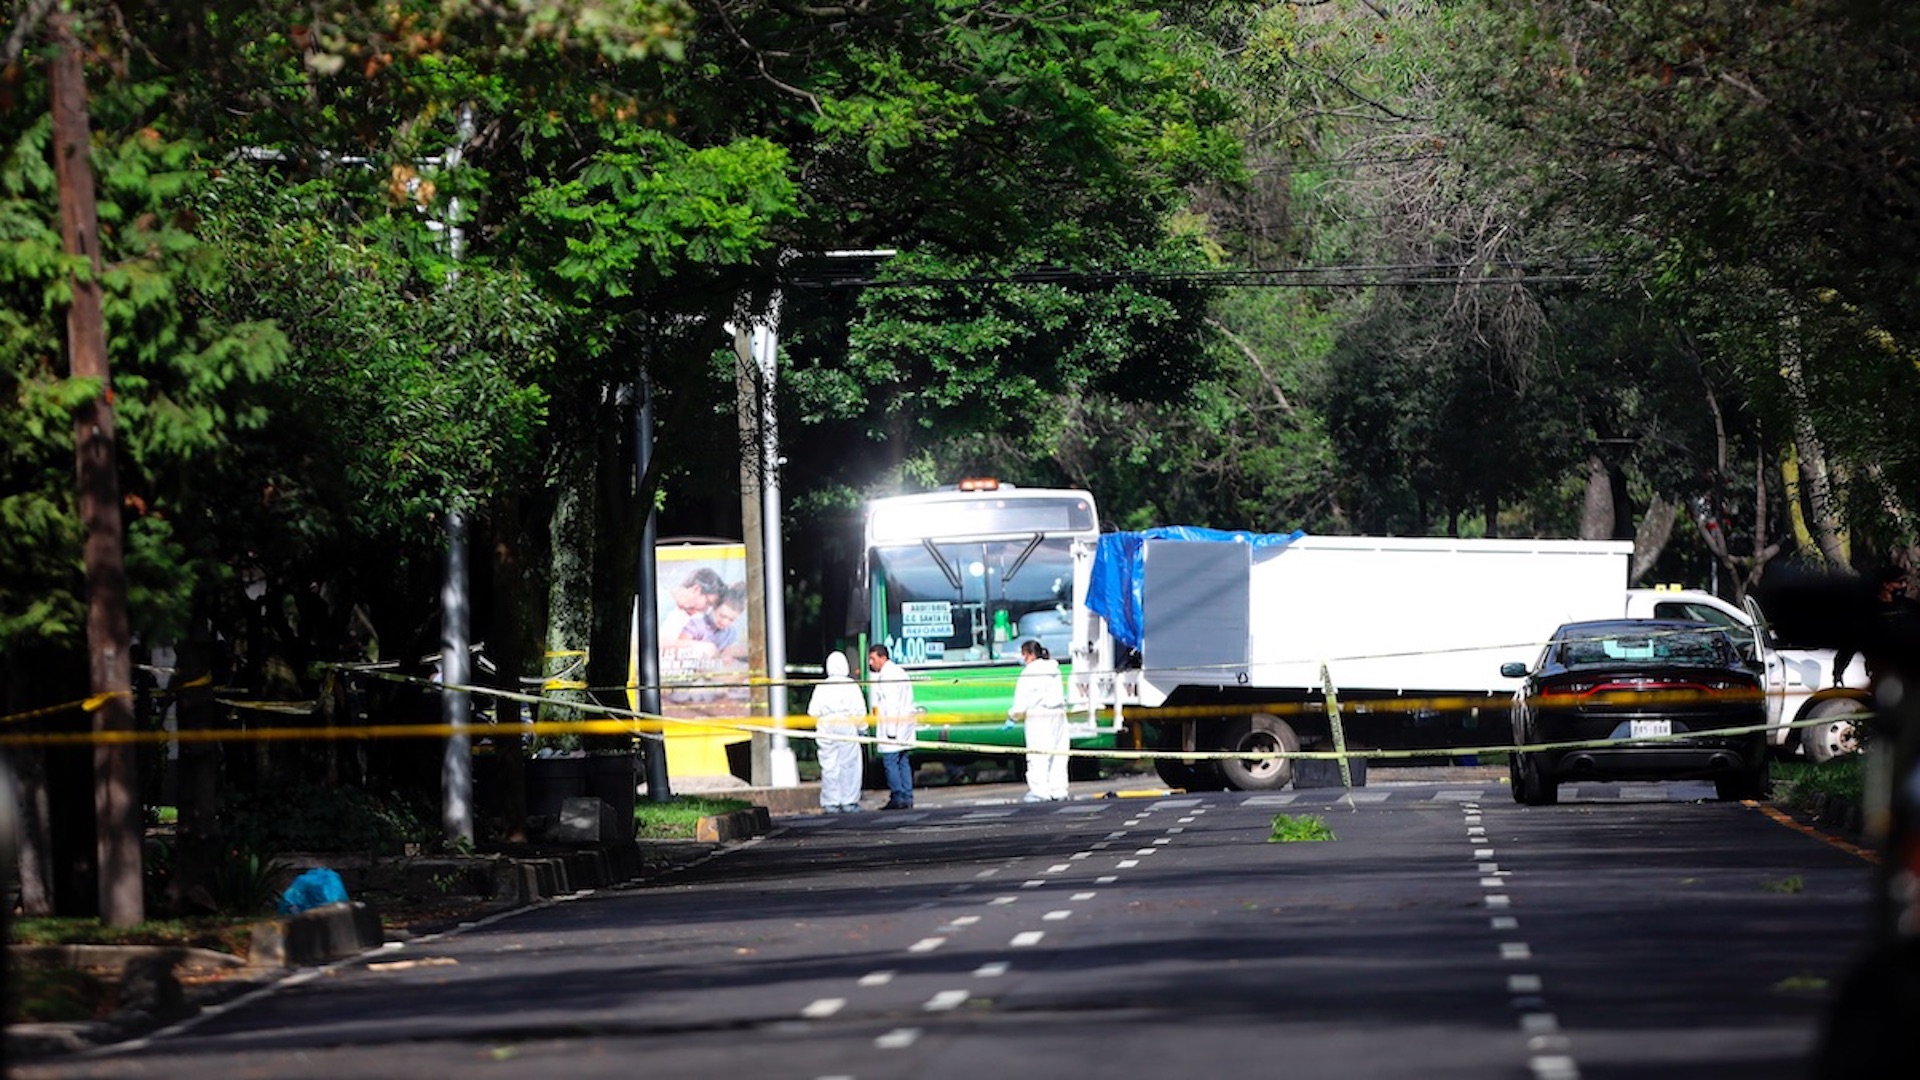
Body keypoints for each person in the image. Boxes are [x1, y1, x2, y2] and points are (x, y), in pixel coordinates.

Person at [1834, 564, 1917, 688]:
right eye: (1899, 582)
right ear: (1886, 584)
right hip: (1882, 672)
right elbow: (1850, 644)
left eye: (1905, 582)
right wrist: (1838, 672)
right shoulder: (1868, 611)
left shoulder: (1909, 607)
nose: (1904, 586)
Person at [1010, 639, 1071, 802]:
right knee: (1059, 753)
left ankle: (1040, 791)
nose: (1023, 659)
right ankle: (1058, 789)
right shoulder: (1054, 669)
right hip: (1058, 714)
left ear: (1030, 654)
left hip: (1039, 715)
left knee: (1038, 754)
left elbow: (1021, 702)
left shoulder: (1029, 672)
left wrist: (1012, 717)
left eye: (1024, 655)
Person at [809, 650, 868, 814]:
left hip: (825, 726)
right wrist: (862, 729)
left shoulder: (822, 687)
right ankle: (849, 801)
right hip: (846, 725)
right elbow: (859, 711)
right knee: (849, 764)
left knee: (829, 765)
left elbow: (813, 711)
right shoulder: (851, 686)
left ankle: (831, 802)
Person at [868, 644, 918, 809]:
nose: (870, 663)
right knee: (903, 761)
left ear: (883, 658)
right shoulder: (899, 671)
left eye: (873, 658)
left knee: (891, 762)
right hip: (904, 726)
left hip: (894, 727)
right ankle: (907, 796)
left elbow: (891, 705)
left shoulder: (887, 676)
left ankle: (898, 796)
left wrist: (890, 731)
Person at [661, 568, 726, 641]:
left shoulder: (682, 615)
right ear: (696, 589)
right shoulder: (661, 600)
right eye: (708, 603)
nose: (705, 610)